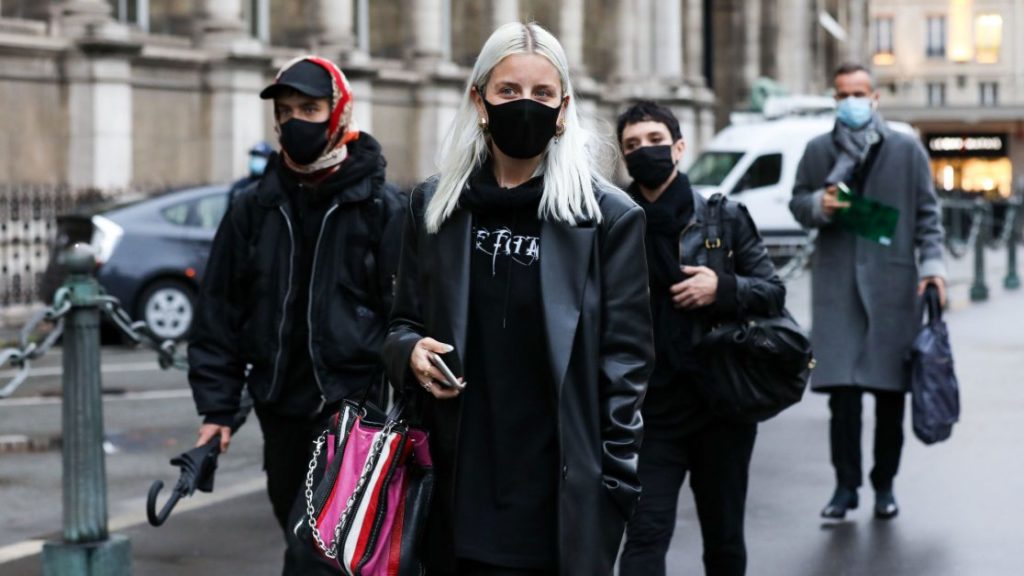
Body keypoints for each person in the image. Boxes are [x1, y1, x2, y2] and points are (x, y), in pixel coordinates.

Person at [381, 22, 653, 576]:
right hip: (454, 486)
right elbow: (400, 322)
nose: (525, 105)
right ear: (479, 101)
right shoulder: (433, 207)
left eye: (542, 93)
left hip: (559, 497)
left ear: (563, 108)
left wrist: (614, 488)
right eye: (508, 90)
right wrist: (409, 352)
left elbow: (626, 364)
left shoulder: (608, 219)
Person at [187, 56, 405, 575]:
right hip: (279, 408)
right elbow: (219, 311)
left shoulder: (380, 206)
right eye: (285, 112)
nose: (295, 122)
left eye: (310, 108)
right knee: (299, 529)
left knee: (313, 550)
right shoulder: (254, 206)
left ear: (339, 112)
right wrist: (217, 410)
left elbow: (407, 315)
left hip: (351, 407)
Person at [615, 101, 785, 576]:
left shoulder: (723, 217)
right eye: (632, 145)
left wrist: (723, 288)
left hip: (721, 407)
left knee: (724, 539)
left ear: (679, 147)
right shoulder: (613, 222)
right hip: (649, 414)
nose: (645, 151)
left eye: (655, 141)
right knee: (644, 536)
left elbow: (772, 291)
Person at [789, 63, 946, 521]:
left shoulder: (906, 149)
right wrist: (819, 204)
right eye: (844, 94)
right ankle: (845, 488)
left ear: (875, 97)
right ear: (834, 100)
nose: (852, 101)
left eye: (860, 93)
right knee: (843, 400)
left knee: (890, 397)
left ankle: (884, 485)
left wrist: (933, 269)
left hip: (893, 287)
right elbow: (799, 201)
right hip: (837, 288)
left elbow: (928, 215)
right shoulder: (818, 150)